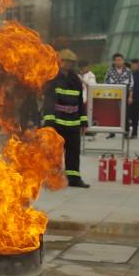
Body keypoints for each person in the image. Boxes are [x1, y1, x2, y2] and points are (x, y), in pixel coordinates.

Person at [42, 49, 90, 188]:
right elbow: (48, 101)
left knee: (74, 152)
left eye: (71, 62)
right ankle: (52, 178)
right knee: (55, 153)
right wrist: (49, 122)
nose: (68, 64)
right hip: (57, 122)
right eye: (66, 61)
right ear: (60, 61)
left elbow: (80, 102)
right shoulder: (53, 79)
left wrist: (83, 121)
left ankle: (74, 179)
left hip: (73, 123)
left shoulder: (76, 80)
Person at [103, 53, 132, 139]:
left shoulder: (128, 71)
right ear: (114, 61)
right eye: (116, 60)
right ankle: (111, 132)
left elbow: (131, 84)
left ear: (123, 61)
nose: (118, 62)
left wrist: (130, 96)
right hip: (113, 94)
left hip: (125, 94)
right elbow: (105, 82)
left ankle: (126, 132)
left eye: (120, 60)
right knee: (112, 113)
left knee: (125, 113)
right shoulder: (110, 71)